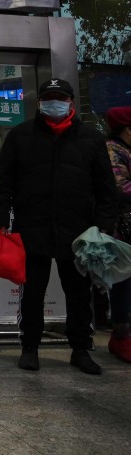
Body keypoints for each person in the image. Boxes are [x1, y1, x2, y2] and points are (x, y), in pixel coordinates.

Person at [0, 78, 118, 375]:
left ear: (71, 102)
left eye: (60, 97)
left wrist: (102, 227)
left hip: (79, 233)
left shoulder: (91, 138)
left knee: (78, 293)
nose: (54, 102)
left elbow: (106, 190)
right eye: (49, 98)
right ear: (39, 103)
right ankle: (29, 347)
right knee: (32, 292)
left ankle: (81, 349)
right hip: (31, 228)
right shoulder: (20, 136)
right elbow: (2, 184)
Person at [104, 106, 131, 363]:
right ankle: (122, 336)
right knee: (123, 283)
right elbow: (120, 187)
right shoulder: (114, 150)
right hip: (122, 230)